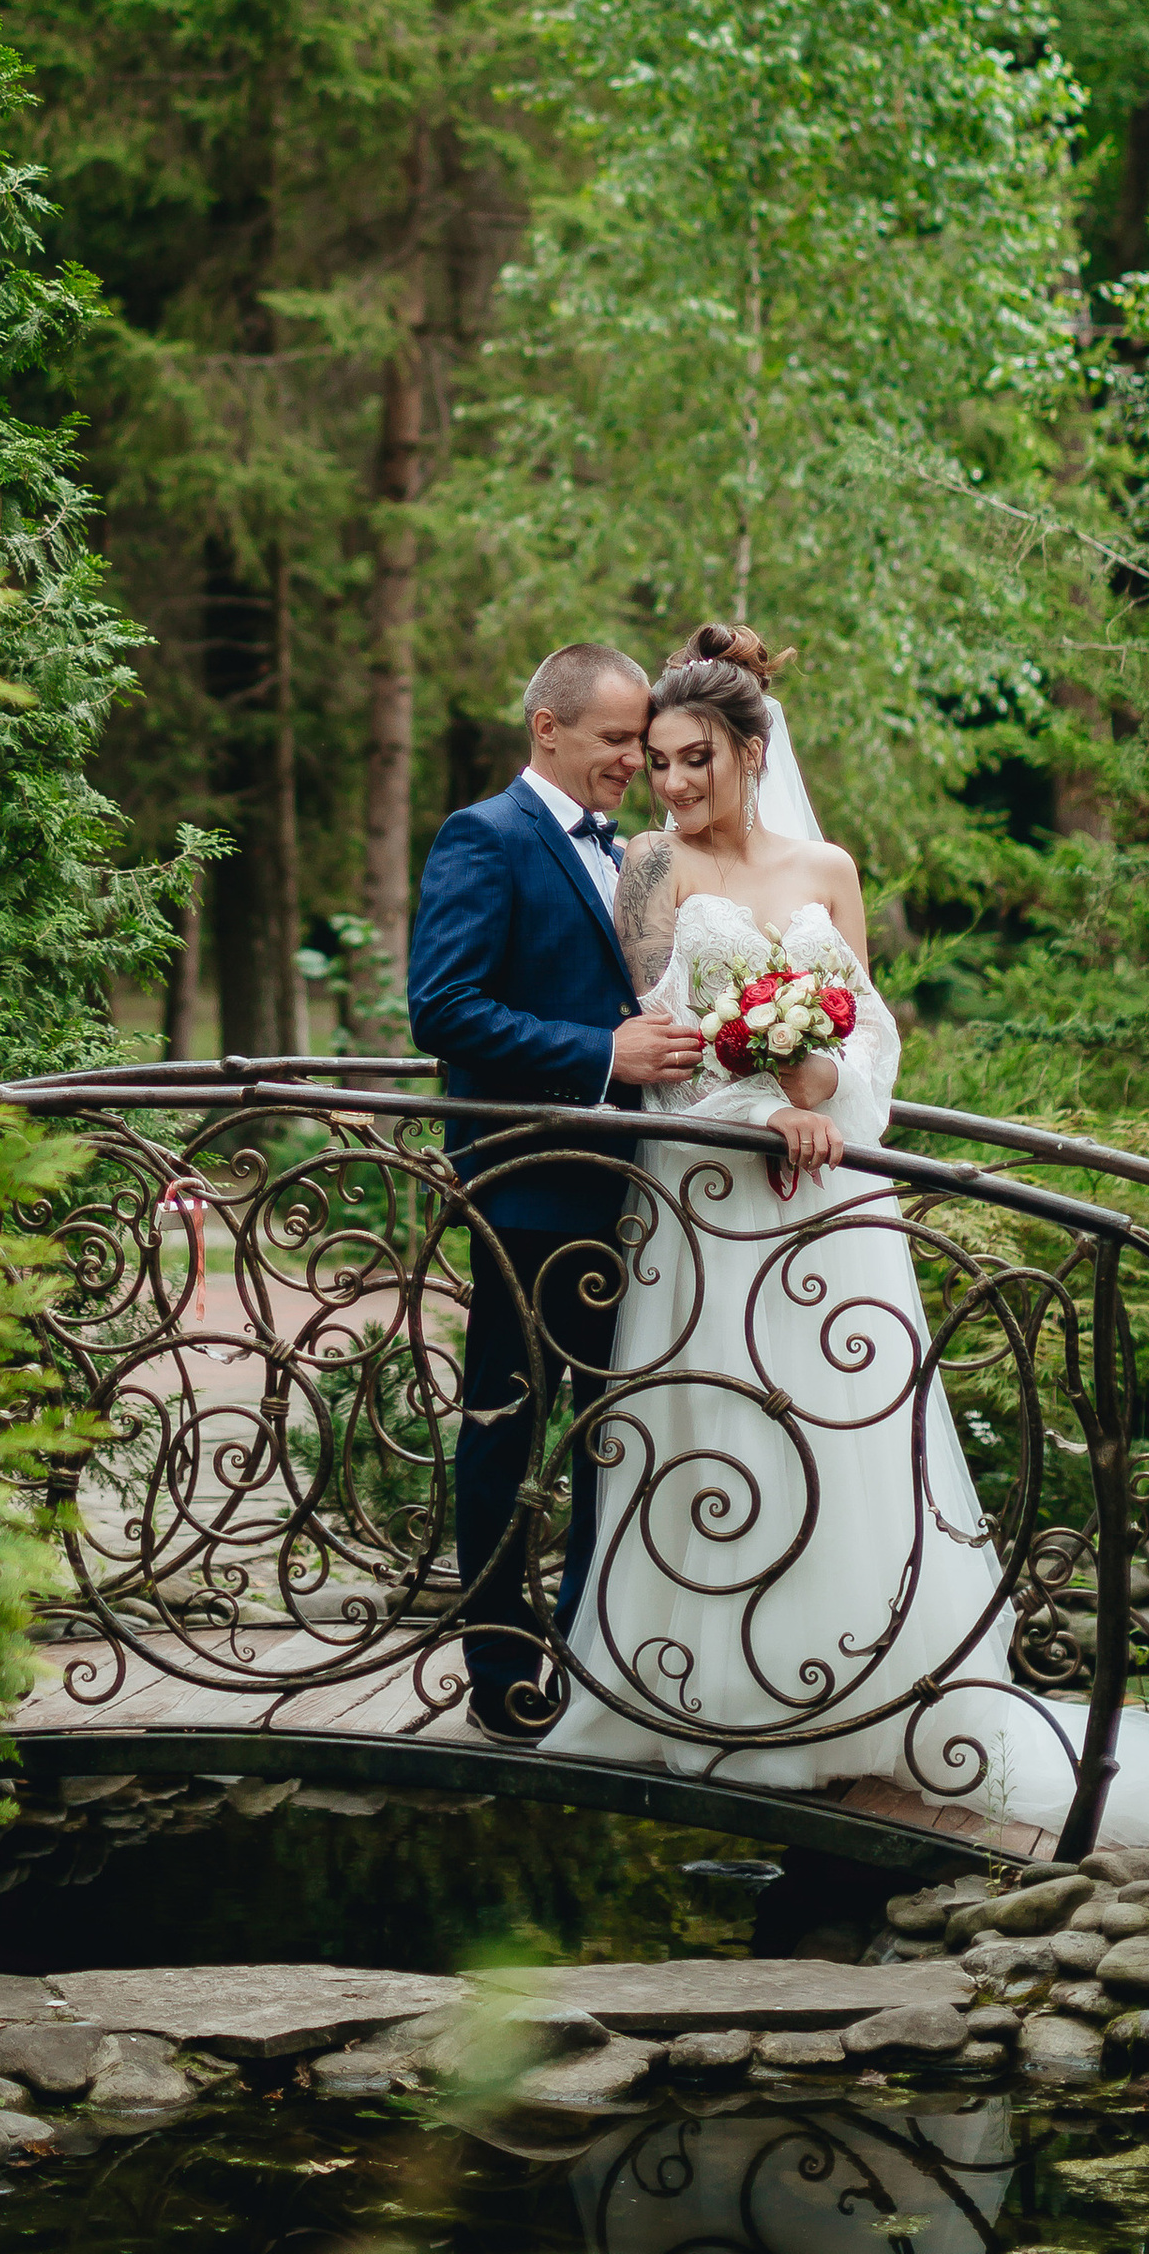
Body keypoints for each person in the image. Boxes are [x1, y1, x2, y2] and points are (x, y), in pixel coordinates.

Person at [542, 621, 1149, 1848]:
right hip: (707, 1196)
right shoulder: (650, 866)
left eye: (697, 758)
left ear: (753, 751)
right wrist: (764, 1107)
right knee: (715, 1424)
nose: (673, 784)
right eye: (659, 762)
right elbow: (660, 1049)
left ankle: (858, 1700)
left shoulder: (828, 868)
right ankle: (703, 1694)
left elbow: (868, 1033)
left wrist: (819, 1090)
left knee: (840, 1428)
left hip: (829, 1201)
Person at [405, 642, 704, 1743]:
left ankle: (586, 1659)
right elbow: (442, 1008)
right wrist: (599, 1054)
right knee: (506, 1428)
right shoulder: (484, 836)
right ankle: (500, 1674)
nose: (635, 761)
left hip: (630, 1192)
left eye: (641, 742)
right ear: (547, 727)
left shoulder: (629, 853)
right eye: (617, 739)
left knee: (608, 1434)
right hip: (528, 1190)